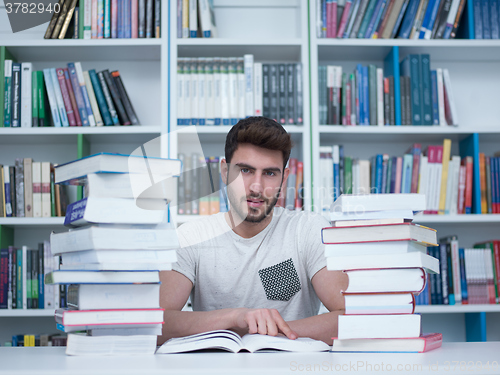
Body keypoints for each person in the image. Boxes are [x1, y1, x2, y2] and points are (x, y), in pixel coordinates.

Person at [158, 117, 348, 345]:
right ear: (225, 171)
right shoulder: (190, 236)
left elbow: (351, 315)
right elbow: (157, 324)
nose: (256, 187)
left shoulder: (308, 230)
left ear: (284, 178)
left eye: (269, 173)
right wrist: (235, 317)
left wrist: (269, 333)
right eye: (245, 170)